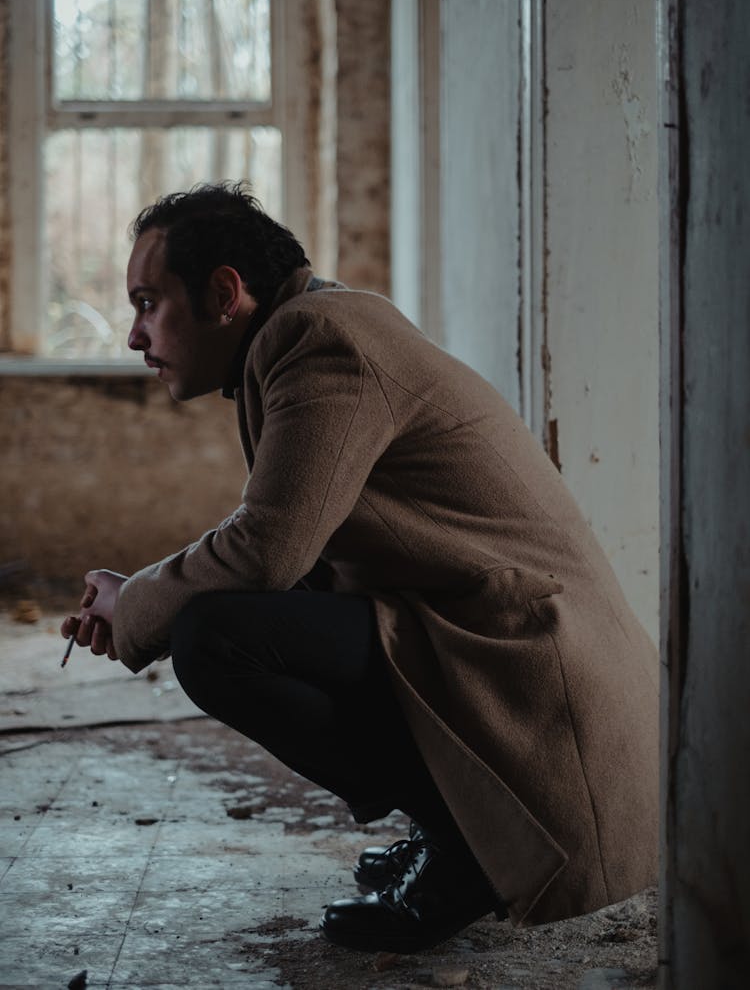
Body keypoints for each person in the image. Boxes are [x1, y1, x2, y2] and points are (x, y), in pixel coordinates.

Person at [61, 181, 658, 954]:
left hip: (539, 679)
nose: (136, 335)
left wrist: (141, 603)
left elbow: (269, 547)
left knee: (216, 638)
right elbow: (299, 556)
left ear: (223, 292)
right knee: (228, 622)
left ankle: (463, 845)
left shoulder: (316, 341)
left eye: (147, 302)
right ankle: (451, 826)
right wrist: (139, 597)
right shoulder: (310, 328)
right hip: (498, 643)